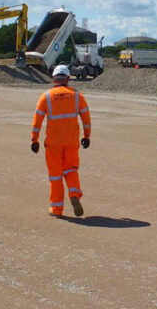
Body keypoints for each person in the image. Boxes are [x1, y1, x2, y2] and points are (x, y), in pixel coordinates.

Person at [31, 64, 91, 217]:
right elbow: (86, 118)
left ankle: (57, 209)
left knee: (55, 176)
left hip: (53, 143)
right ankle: (74, 195)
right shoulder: (77, 95)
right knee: (71, 170)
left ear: (53, 79)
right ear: (68, 79)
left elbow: (37, 121)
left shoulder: (46, 97)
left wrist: (34, 140)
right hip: (71, 141)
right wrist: (86, 136)